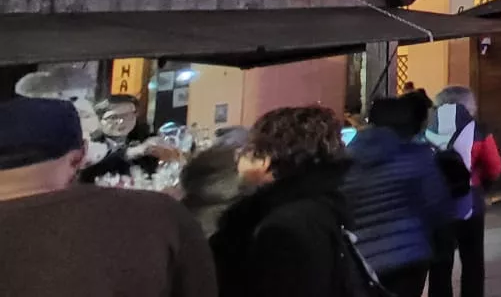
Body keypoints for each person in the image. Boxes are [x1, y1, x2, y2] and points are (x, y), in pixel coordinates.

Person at [0, 96, 216, 297]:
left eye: (128, 115)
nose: (121, 122)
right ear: (81, 156)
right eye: (114, 117)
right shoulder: (157, 216)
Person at [209, 106, 357, 297]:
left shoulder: (280, 229)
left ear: (266, 159)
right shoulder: (321, 204)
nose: (238, 162)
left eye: (245, 152)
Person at [345, 93, 452, 297]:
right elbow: (436, 204)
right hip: (407, 253)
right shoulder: (417, 155)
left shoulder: (345, 159)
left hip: (361, 258)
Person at [428, 86, 500, 297]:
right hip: (471, 201)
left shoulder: (427, 129)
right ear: (470, 105)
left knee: (440, 263)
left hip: (437, 205)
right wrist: (483, 185)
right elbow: (494, 166)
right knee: (472, 260)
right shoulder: (478, 129)